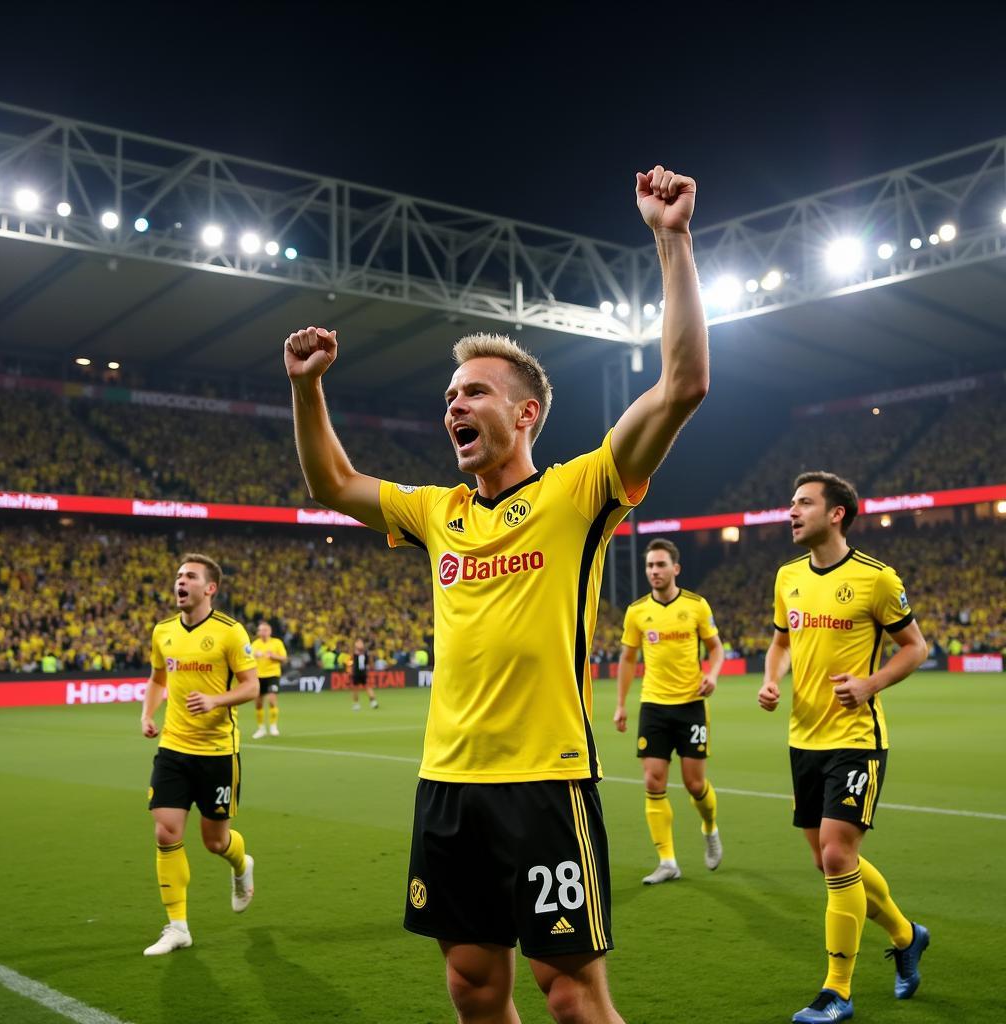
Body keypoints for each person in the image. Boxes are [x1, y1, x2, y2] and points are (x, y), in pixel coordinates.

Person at [284, 163, 708, 1024]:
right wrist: (306, 387)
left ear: (524, 416)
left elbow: (683, 385)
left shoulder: (579, 490)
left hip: (545, 781)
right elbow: (333, 483)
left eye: (473, 391)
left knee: (571, 995)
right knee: (472, 989)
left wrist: (672, 239)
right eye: (449, 395)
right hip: (448, 783)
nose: (453, 405)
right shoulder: (436, 513)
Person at [758, 473, 930, 1023]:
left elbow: (916, 647)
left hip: (856, 740)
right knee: (830, 859)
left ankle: (837, 991)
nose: (791, 511)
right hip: (802, 737)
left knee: (836, 854)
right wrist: (771, 678)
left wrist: (870, 685)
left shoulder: (876, 579)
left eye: (803, 503)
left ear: (836, 514)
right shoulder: (787, 577)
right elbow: (781, 640)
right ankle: (907, 935)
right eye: (791, 503)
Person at [139, 553, 260, 956]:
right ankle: (177, 927)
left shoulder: (229, 632)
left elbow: (251, 687)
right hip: (173, 747)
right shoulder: (163, 631)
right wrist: (147, 713)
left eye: (190, 576)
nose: (180, 581)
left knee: (215, 841)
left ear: (210, 588)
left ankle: (243, 867)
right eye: (178, 575)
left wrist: (215, 700)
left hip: (217, 752)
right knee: (165, 831)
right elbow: (158, 678)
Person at [614, 538, 725, 884]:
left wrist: (713, 675)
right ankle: (667, 861)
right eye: (650, 566)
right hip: (654, 707)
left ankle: (709, 827)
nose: (654, 571)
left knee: (695, 784)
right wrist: (621, 704)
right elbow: (628, 658)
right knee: (652, 779)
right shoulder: (637, 612)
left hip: (691, 705)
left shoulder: (696, 605)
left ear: (675, 568)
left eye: (660, 565)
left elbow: (716, 648)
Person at [251, 620, 288, 737]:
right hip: (258, 676)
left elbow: (284, 659)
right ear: (258, 632)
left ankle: (273, 727)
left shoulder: (277, 643)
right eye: (261, 630)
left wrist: (273, 656)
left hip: (272, 675)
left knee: (272, 700)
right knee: (258, 704)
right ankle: (261, 729)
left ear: (270, 631)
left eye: (265, 630)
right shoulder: (255, 645)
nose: (263, 632)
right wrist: (253, 655)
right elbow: (247, 659)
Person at [350, 637, 378, 710]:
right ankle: (373, 702)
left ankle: (356, 705)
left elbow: (351, 659)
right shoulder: (366, 653)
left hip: (356, 673)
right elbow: (369, 662)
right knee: (367, 687)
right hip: (363, 672)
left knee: (356, 689)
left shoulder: (355, 653)